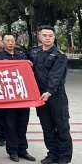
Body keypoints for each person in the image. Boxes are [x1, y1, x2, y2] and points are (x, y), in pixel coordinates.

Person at [30, 26, 73, 164]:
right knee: (47, 126)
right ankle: (52, 154)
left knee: (61, 126)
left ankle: (64, 156)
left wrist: (49, 91)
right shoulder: (34, 52)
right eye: (44, 35)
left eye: (50, 35)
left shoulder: (59, 55)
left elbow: (56, 76)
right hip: (40, 96)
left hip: (55, 95)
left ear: (54, 37)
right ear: (39, 37)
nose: (47, 38)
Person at [0, 33, 36, 162]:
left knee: (22, 124)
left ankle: (23, 150)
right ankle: (12, 151)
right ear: (2, 43)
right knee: (10, 125)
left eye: (12, 40)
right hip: (8, 98)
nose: (10, 43)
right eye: (7, 40)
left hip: (22, 96)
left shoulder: (21, 56)